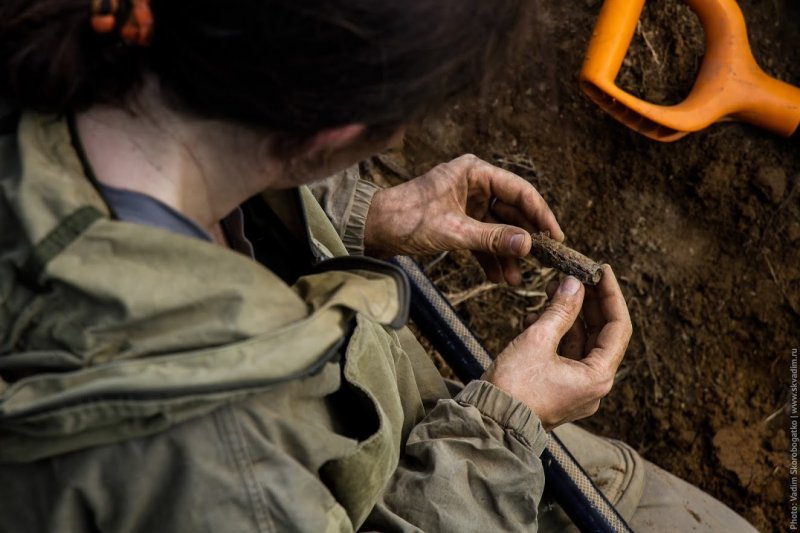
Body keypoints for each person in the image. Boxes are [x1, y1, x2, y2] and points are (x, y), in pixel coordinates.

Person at [0, 1, 756, 531]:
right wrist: (501, 429)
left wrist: (358, 212)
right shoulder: (228, 472)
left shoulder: (69, 44)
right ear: (335, 128)